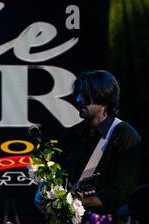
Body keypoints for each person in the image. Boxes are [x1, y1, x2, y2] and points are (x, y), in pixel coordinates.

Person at [56, 70, 141, 214]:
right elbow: (56, 170)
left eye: (84, 94)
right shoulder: (72, 135)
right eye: (77, 94)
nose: (78, 99)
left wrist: (74, 202)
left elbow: (118, 192)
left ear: (104, 97)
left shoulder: (125, 136)